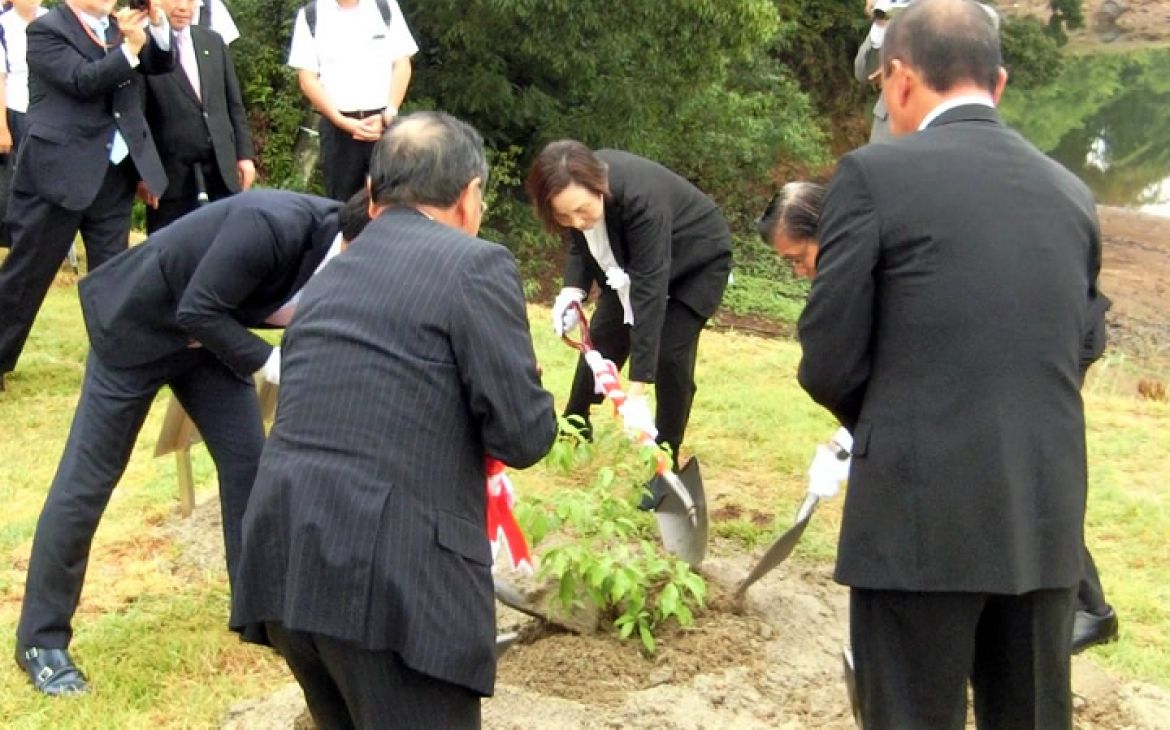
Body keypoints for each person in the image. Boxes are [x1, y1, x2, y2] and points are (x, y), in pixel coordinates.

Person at [795, 1, 1104, 727]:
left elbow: (829, 356)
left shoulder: (873, 175)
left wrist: (895, 421)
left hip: (916, 515)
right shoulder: (1072, 193)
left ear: (897, 78)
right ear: (997, 85)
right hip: (1044, 512)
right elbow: (1082, 342)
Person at [231, 112, 556, 729]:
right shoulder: (475, 265)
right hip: (392, 584)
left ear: (375, 195)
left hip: (287, 557)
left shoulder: (331, 277)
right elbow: (524, 435)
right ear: (468, 197)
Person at [13, 189, 370, 697]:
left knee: (252, 468)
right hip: (139, 327)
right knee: (88, 482)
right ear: (371, 218)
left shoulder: (346, 254)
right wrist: (272, 366)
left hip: (209, 347)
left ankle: (258, 614)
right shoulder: (273, 224)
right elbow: (197, 307)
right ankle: (40, 641)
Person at [759, 183, 1121, 659]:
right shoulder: (873, 255)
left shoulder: (892, 251)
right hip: (996, 357)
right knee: (1001, 469)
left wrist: (864, 426)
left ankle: (1088, 608)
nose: (801, 271)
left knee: (1019, 469)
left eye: (797, 257)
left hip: (1049, 342)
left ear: (826, 230)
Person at [528, 141, 732, 503]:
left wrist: (638, 386)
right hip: (634, 263)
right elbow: (582, 242)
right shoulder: (576, 197)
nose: (575, 221)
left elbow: (651, 289)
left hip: (696, 260)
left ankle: (665, 459)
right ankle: (576, 424)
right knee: (604, 337)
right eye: (564, 217)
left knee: (670, 355)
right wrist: (573, 290)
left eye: (581, 211)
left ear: (599, 187)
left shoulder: (641, 199)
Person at [0, 0, 174, 392]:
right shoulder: (46, 30)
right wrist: (130, 49)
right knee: (28, 274)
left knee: (113, 275)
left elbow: (161, 63)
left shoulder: (120, 25)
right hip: (57, 172)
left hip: (113, 170)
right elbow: (82, 80)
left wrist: (156, 24)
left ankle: (118, 361)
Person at [143, 0, 255, 233]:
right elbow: (135, 117)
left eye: (190, 0)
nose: (183, 7)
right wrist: (143, 174)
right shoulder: (141, 45)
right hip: (169, 177)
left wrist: (244, 155)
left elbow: (233, 103)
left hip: (220, 171)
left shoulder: (212, 41)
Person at [287, 0, 417, 201]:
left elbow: (402, 64)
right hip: (338, 128)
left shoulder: (385, 7)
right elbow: (307, 79)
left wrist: (389, 113)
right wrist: (340, 120)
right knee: (341, 205)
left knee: (392, 201)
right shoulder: (311, 15)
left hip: (384, 125)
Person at [0, 0, 47, 246]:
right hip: (15, 108)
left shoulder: (51, 19)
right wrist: (2, 127)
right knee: (15, 179)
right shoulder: (3, 24)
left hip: (48, 111)